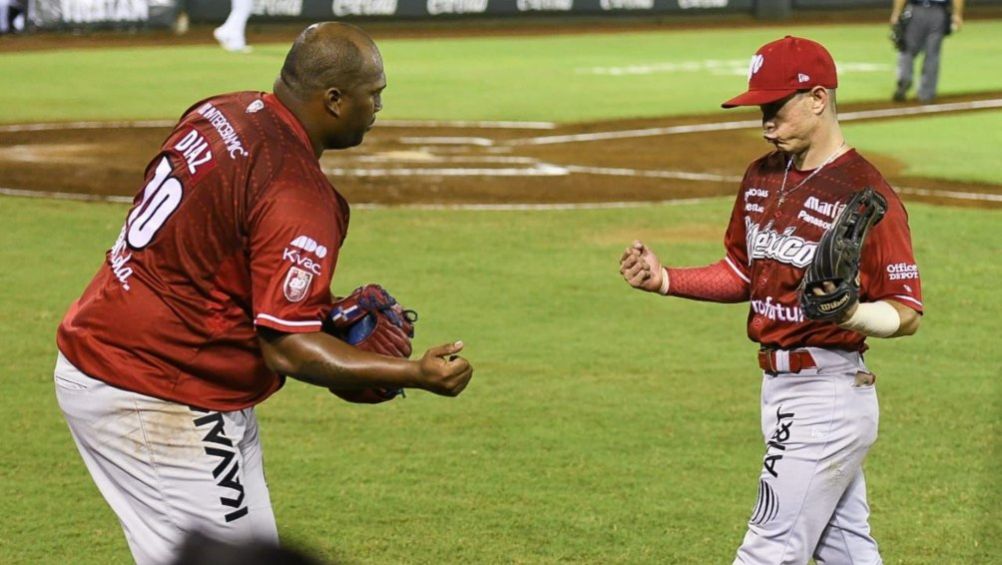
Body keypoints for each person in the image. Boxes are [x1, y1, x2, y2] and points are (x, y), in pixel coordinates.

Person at [54, 22, 473, 565]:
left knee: (250, 552)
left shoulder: (220, 111)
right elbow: (286, 348)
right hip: (158, 389)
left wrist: (312, 310)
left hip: (121, 352)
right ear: (334, 100)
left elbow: (215, 248)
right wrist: (415, 373)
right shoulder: (298, 191)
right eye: (375, 94)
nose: (379, 108)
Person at [620, 36, 923, 564]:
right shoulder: (761, 176)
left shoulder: (864, 191)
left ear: (818, 99)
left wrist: (851, 312)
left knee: (767, 551)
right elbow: (742, 272)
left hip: (826, 394)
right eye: (760, 107)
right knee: (845, 551)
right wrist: (666, 278)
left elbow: (906, 311)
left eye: (776, 106)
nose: (765, 120)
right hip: (780, 390)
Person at [891, 0, 965, 103]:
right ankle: (926, 94)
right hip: (938, 13)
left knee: (907, 48)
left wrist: (896, 12)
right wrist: (957, 14)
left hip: (916, 11)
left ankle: (904, 79)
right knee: (932, 55)